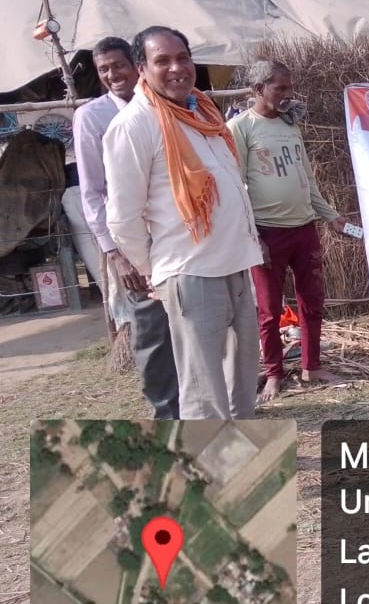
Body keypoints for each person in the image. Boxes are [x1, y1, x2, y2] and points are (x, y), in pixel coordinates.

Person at [105, 26, 264, 420]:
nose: (176, 68)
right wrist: (153, 270)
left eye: (183, 58)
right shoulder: (134, 125)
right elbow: (122, 217)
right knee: (204, 389)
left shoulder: (202, 111)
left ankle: (242, 451)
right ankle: (208, 458)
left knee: (242, 380)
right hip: (190, 271)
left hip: (235, 262)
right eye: (163, 61)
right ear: (142, 69)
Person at [228, 60, 349, 402]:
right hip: (267, 234)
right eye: (279, 88)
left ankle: (312, 366)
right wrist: (253, 237)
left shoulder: (289, 125)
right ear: (258, 89)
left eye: (289, 87)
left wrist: (331, 216)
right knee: (269, 311)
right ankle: (273, 373)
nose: (287, 94)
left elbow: (307, 179)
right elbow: (236, 186)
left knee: (312, 302)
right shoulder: (240, 128)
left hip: (304, 228)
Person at [73, 36, 181, 419]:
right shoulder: (93, 117)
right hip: (134, 244)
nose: (111, 75)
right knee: (152, 332)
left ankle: (205, 411)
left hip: (179, 236)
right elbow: (92, 192)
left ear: (136, 66)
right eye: (103, 69)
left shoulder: (166, 104)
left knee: (194, 326)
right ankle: (167, 418)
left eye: (118, 66)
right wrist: (115, 253)